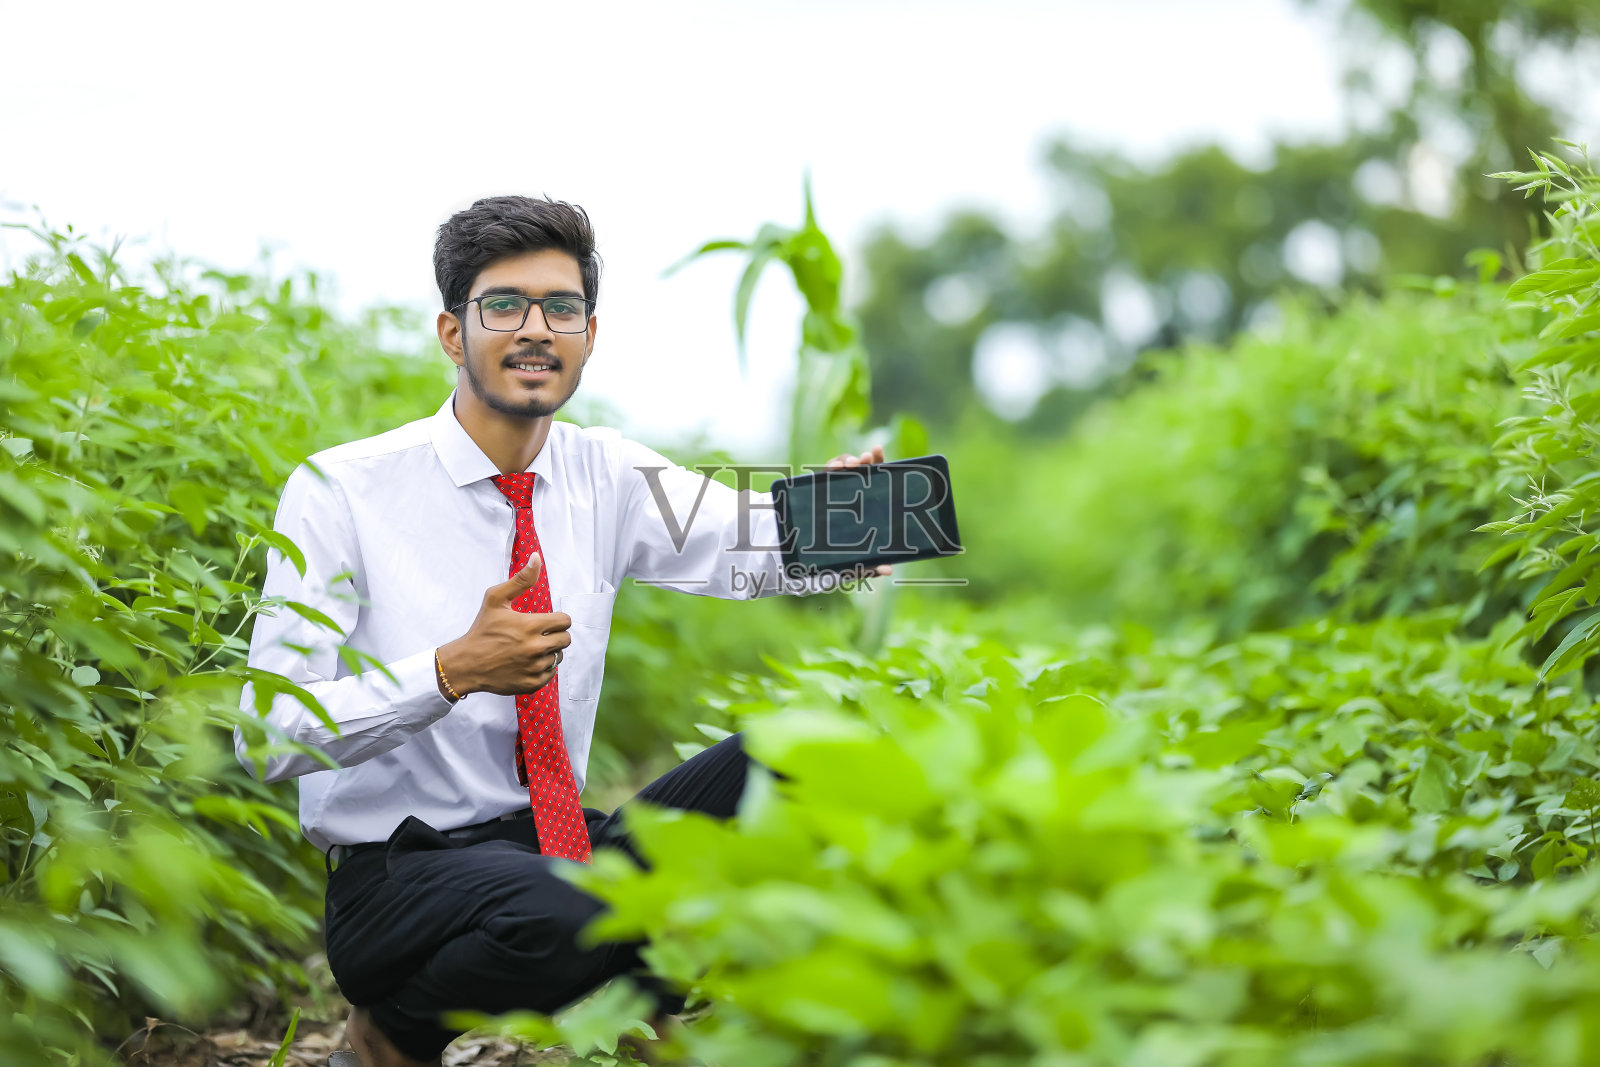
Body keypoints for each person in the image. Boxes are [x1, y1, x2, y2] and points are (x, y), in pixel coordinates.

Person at [234, 195, 885, 1067]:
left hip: (555, 842)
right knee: (574, 903)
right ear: (451, 332)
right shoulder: (340, 492)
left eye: (562, 307)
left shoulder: (603, 471)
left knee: (803, 754)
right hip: (399, 875)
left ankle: (645, 1015)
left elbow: (744, 540)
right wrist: (451, 670)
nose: (535, 328)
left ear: (588, 333)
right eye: (503, 304)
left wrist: (848, 522)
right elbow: (269, 733)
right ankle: (393, 1032)